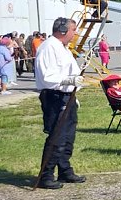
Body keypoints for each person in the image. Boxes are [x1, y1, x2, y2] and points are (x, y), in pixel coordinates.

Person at [34, 17, 85, 189]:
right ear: (63, 31)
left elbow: (72, 72)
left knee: (68, 135)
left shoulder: (63, 48)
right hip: (54, 97)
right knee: (57, 136)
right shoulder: (48, 47)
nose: (75, 33)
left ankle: (64, 169)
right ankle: (46, 175)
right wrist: (71, 80)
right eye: (73, 30)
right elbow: (48, 78)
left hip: (66, 96)